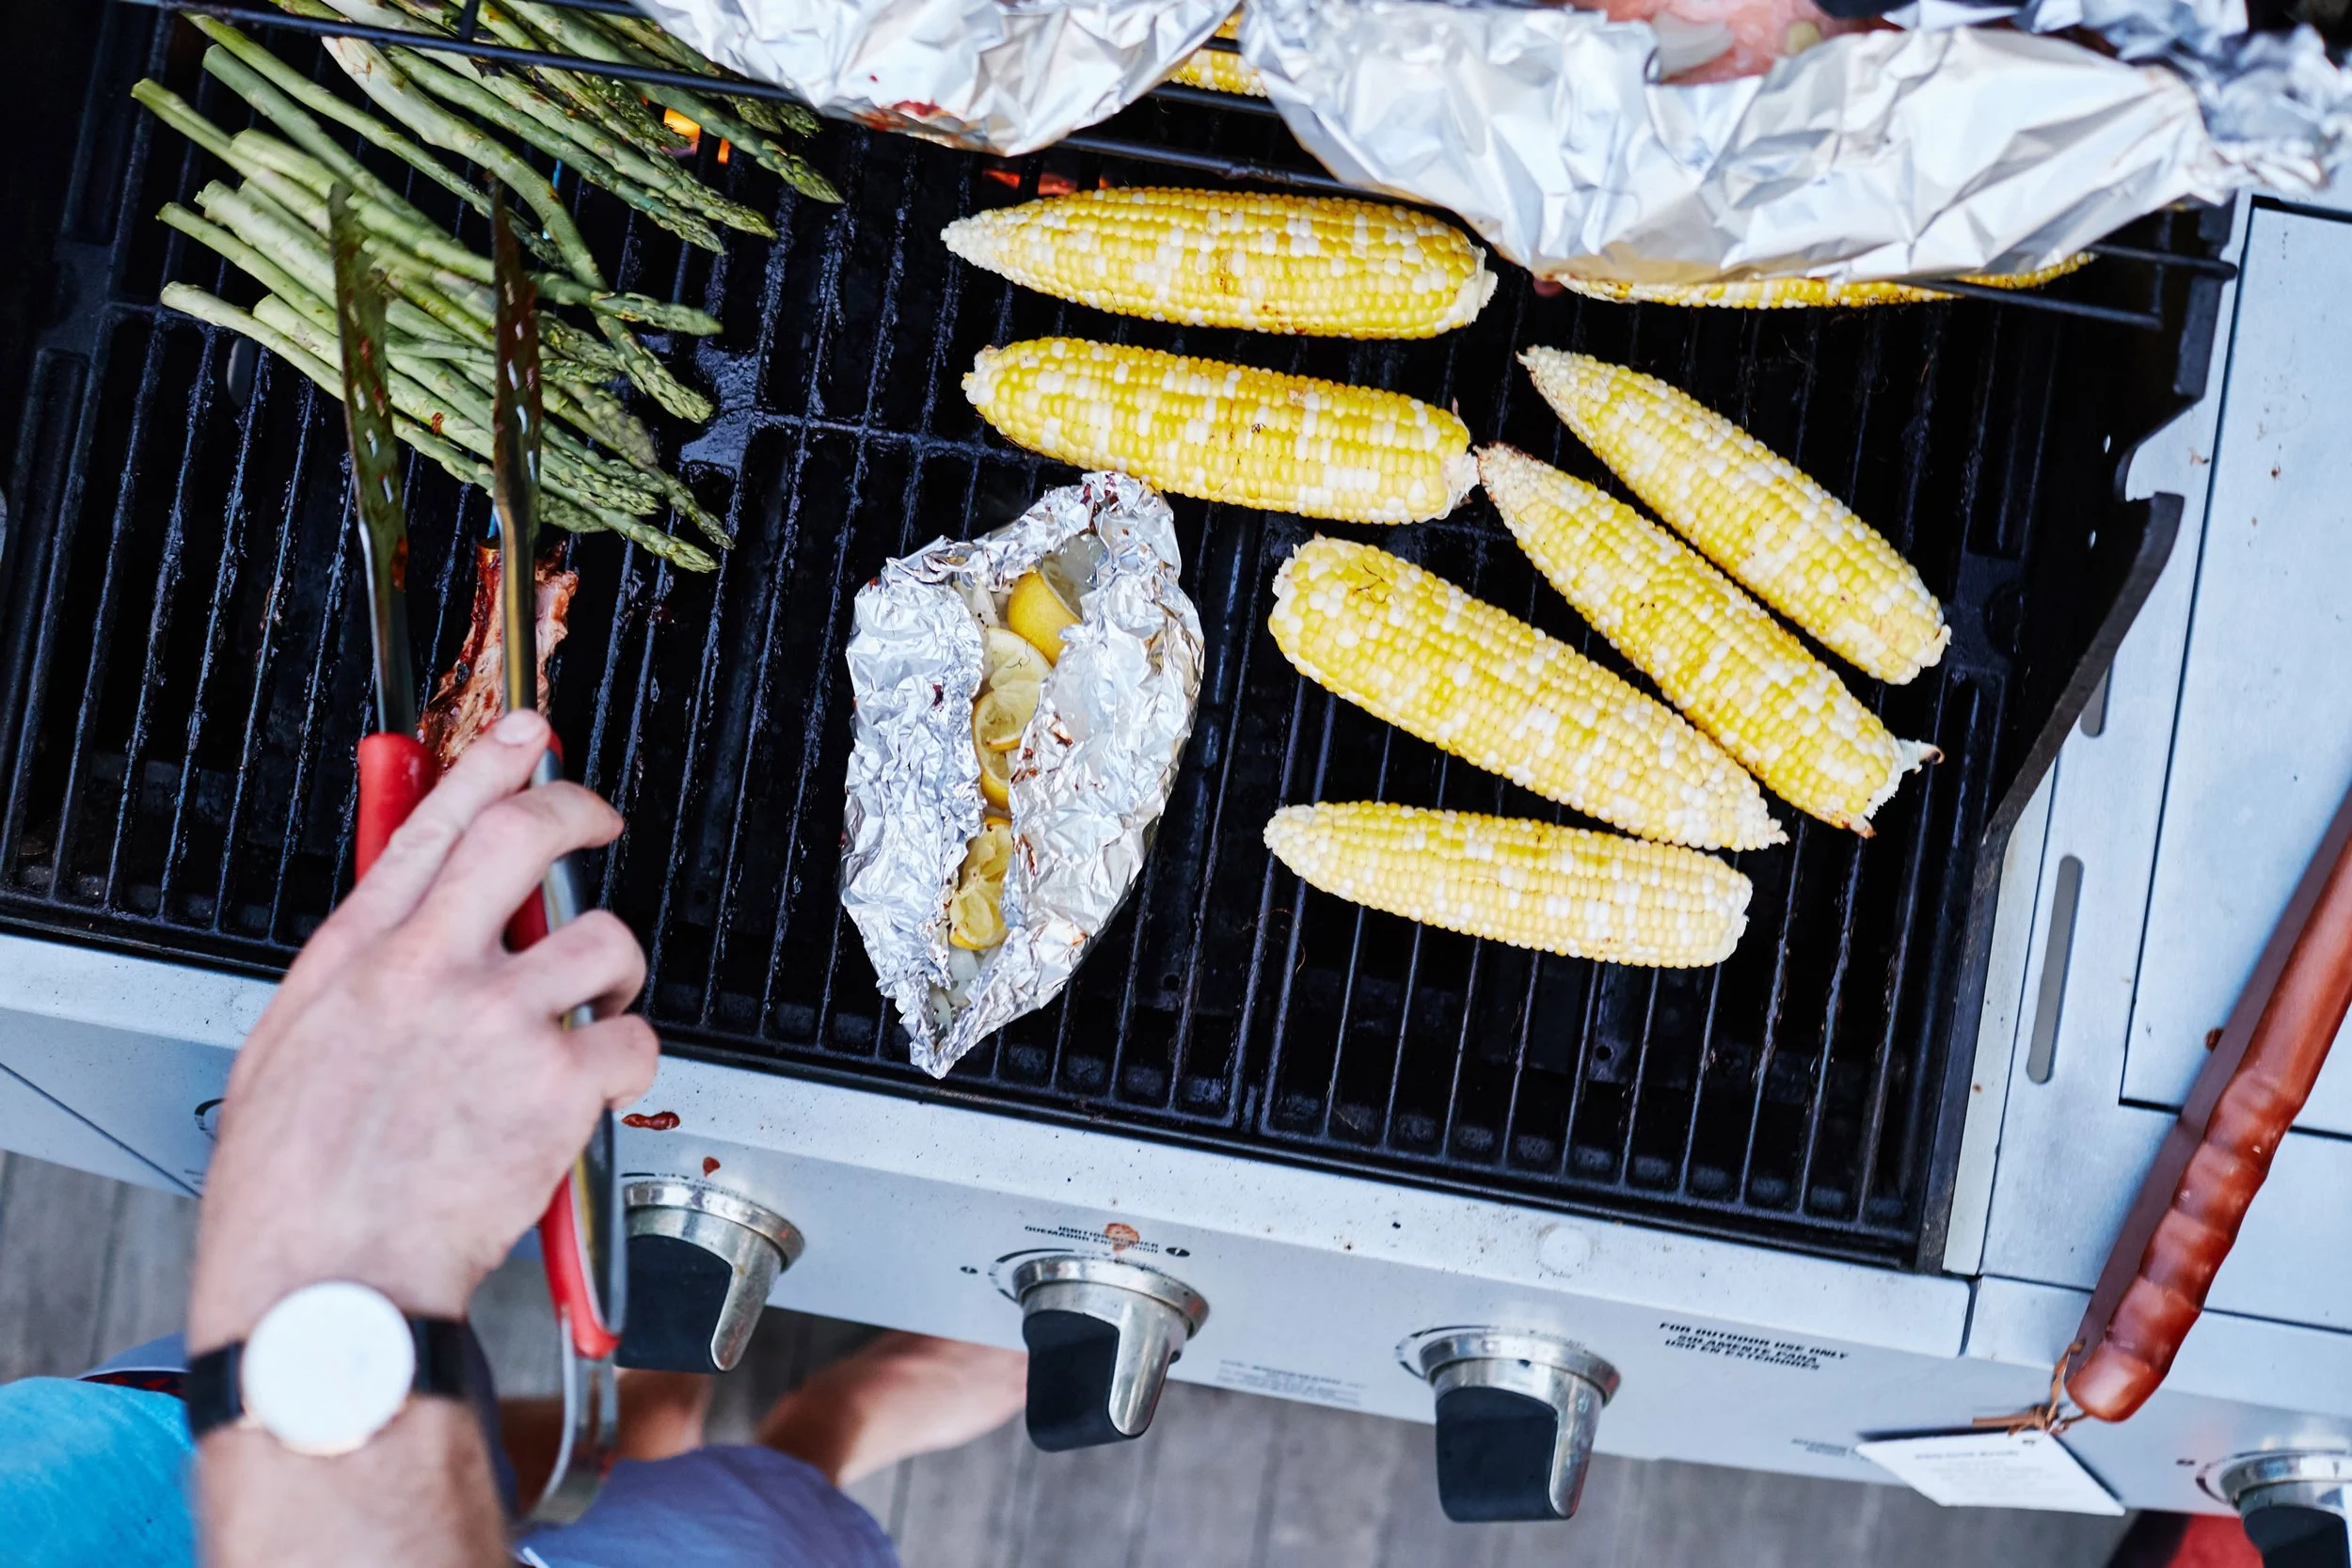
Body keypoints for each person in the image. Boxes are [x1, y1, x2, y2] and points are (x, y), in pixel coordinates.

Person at [0, 708, 1025, 1567]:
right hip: (299, 1375)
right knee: (766, 1535)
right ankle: (828, 1427)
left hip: (123, 1478)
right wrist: (322, 1275)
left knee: (469, 1423)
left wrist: (312, 1335)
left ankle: (640, 1425)